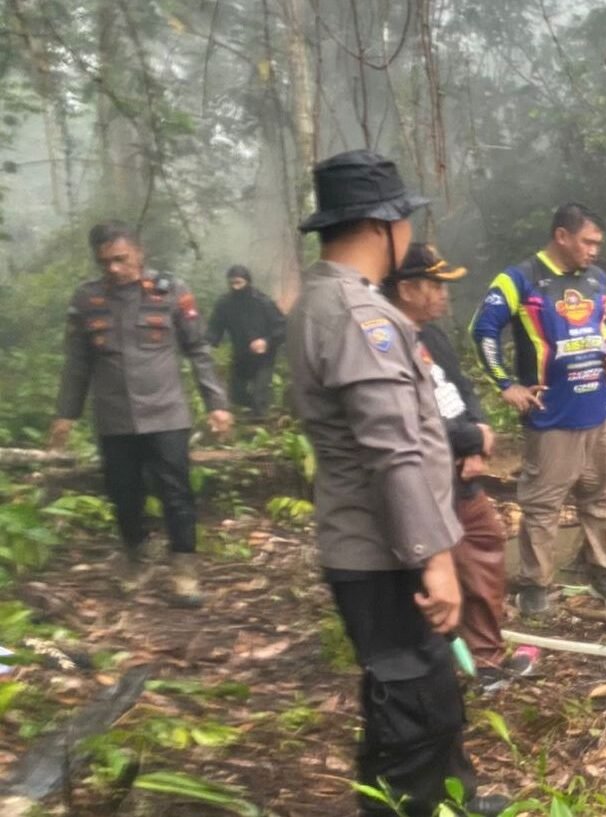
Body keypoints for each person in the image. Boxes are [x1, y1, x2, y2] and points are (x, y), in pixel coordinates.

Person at [287, 150, 505, 817]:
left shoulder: (322, 299)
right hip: (384, 551)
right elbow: (393, 451)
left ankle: (455, 797)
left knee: (426, 682)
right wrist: (433, 559)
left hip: (383, 542)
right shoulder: (359, 316)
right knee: (410, 700)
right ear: (384, 226)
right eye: (405, 219)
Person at [381, 242, 540, 691]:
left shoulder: (430, 335)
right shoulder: (385, 342)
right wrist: (470, 438)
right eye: (435, 285)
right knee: (430, 569)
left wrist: (479, 433)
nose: (444, 294)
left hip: (461, 470)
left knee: (484, 542)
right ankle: (439, 665)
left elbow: (463, 388)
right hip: (422, 479)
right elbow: (407, 421)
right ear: (407, 289)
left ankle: (485, 660)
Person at [49, 221, 233, 606]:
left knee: (176, 493)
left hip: (166, 414)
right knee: (123, 494)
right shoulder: (87, 299)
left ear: (139, 252)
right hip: (114, 417)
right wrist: (66, 414)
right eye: (105, 262)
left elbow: (198, 350)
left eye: (121, 259)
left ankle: (184, 571)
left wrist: (216, 404)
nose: (114, 268)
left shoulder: (171, 292)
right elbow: (77, 363)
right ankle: (139, 554)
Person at [470, 203, 606, 617]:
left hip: (602, 409)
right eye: (588, 242)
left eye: (597, 244)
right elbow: (483, 329)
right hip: (552, 415)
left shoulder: (598, 280)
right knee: (542, 506)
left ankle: (605, 572)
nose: (594, 251)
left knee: (601, 496)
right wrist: (506, 384)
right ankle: (536, 585)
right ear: (562, 236)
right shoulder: (519, 279)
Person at [206, 265, 286, 419]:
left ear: (248, 282)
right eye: (232, 283)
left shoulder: (263, 302)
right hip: (241, 356)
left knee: (259, 396)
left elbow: (282, 327)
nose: (235, 287)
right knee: (236, 395)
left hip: (264, 357)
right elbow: (215, 327)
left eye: (239, 283)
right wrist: (208, 345)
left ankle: (261, 420)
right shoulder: (225, 304)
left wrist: (266, 342)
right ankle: (257, 412)